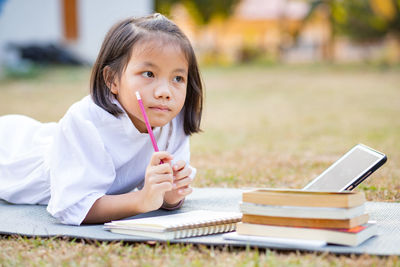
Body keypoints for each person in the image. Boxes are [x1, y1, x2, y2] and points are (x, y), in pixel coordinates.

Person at [0, 13, 203, 225]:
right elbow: (73, 207)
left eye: (178, 78)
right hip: (12, 157)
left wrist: (171, 195)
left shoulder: (173, 122)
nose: (165, 92)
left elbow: (165, 197)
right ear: (111, 79)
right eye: (148, 74)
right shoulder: (84, 122)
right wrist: (140, 200)